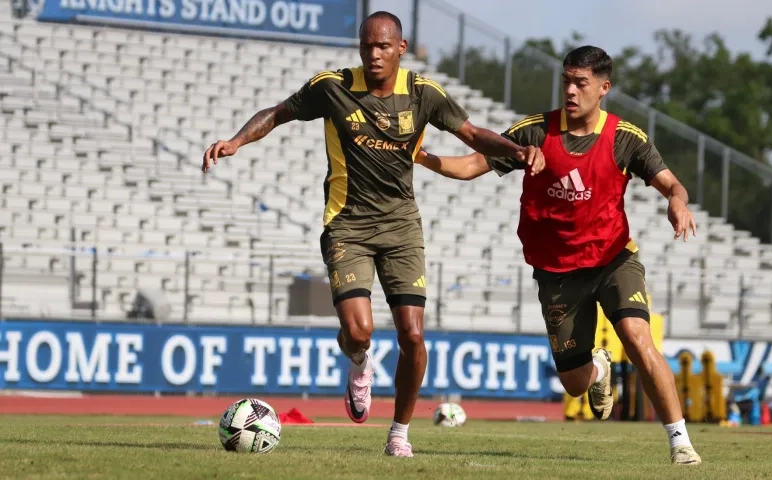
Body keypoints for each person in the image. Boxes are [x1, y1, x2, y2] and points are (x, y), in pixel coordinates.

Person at [201, 11, 540, 458]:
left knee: (413, 336)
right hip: (348, 224)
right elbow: (278, 113)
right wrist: (237, 140)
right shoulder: (332, 87)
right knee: (359, 332)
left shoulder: (424, 94)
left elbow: (473, 134)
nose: (374, 54)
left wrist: (518, 151)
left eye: (383, 46)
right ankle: (358, 365)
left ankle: (399, 432)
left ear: (400, 48)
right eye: (367, 46)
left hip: (402, 226)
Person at [416, 45, 703, 465]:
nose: (570, 90)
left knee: (639, 340)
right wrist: (422, 156)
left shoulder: (626, 138)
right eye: (566, 80)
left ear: (603, 88)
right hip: (557, 273)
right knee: (573, 383)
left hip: (614, 259)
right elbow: (473, 165)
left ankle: (681, 444)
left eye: (580, 83)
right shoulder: (535, 132)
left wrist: (677, 202)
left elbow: (673, 185)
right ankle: (599, 369)